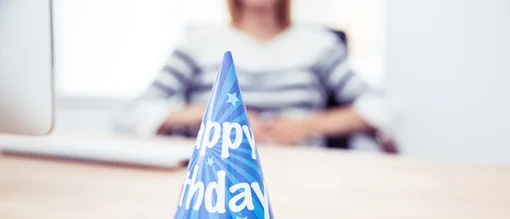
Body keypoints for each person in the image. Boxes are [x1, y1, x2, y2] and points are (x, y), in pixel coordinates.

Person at [116, 0, 397, 152]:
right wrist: (219, 115)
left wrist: (307, 126)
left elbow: (381, 108)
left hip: (302, 173)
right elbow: (134, 113)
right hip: (217, 180)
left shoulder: (318, 45)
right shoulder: (199, 44)